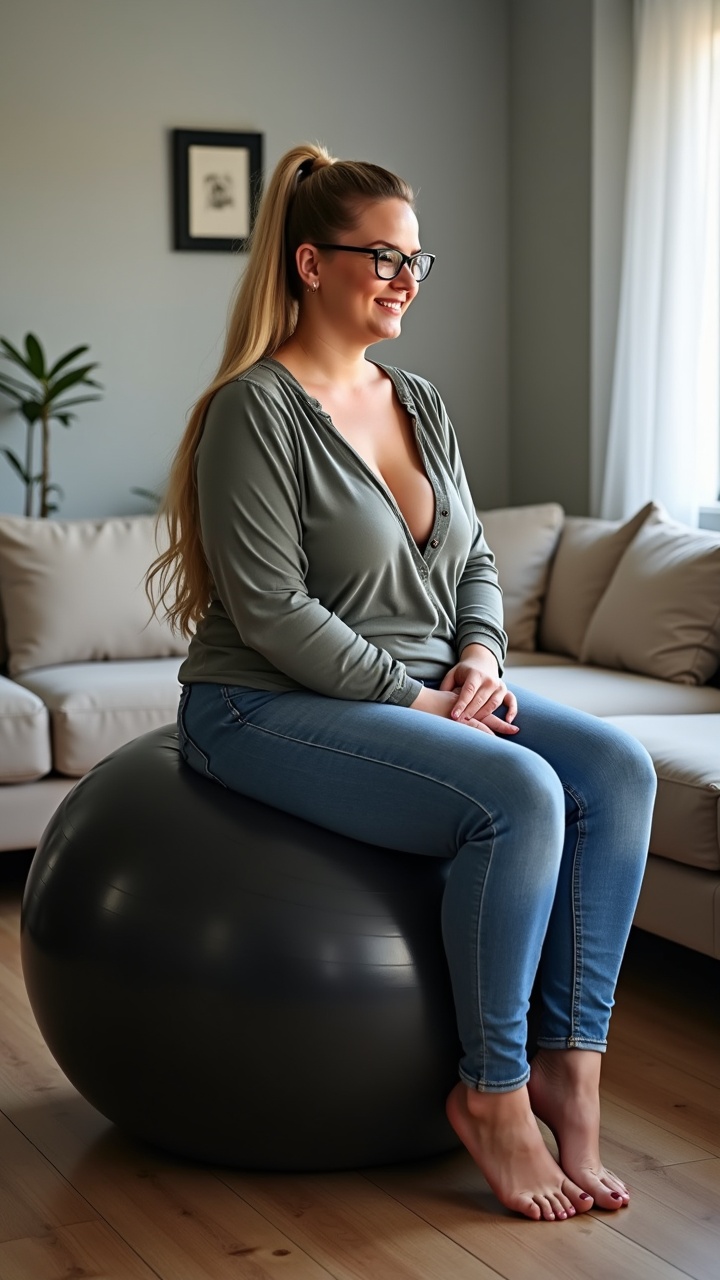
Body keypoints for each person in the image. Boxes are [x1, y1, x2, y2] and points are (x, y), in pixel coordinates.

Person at [148, 142, 657, 1223]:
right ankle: (496, 1091)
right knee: (514, 794)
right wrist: (420, 698)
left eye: (418, 261)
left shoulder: (415, 398)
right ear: (307, 263)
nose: (404, 280)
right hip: (264, 702)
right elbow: (276, 611)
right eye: (381, 257)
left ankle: (574, 1066)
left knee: (616, 768)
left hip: (425, 679)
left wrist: (477, 655)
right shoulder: (254, 410)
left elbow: (473, 557)